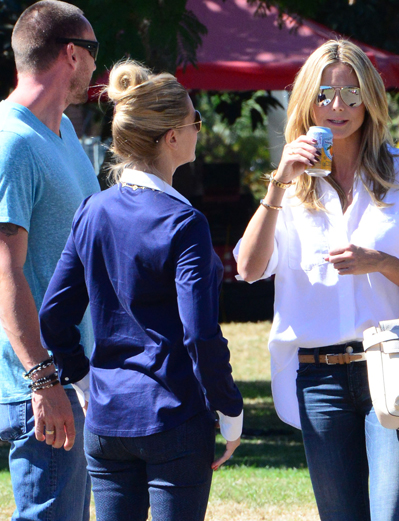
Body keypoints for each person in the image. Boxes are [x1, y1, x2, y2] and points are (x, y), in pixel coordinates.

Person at [234, 39, 399, 521]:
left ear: (370, 100)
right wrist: (279, 181)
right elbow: (249, 269)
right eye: (323, 93)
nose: (337, 106)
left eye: (351, 93)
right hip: (318, 377)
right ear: (306, 101)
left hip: (396, 367)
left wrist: (379, 260)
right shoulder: (291, 185)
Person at [38, 60, 243, 521]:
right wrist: (230, 411)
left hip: (109, 420)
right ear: (172, 136)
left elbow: (54, 315)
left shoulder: (92, 211)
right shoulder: (184, 222)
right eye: (195, 121)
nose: (199, 129)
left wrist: (86, 380)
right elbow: (199, 334)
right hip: (174, 415)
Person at [0, 2, 100, 519]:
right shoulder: (9, 143)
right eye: (93, 53)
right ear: (71, 53)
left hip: (73, 373)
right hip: (39, 385)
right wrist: (43, 380)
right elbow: (1, 268)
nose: (95, 67)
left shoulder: (61, 133)